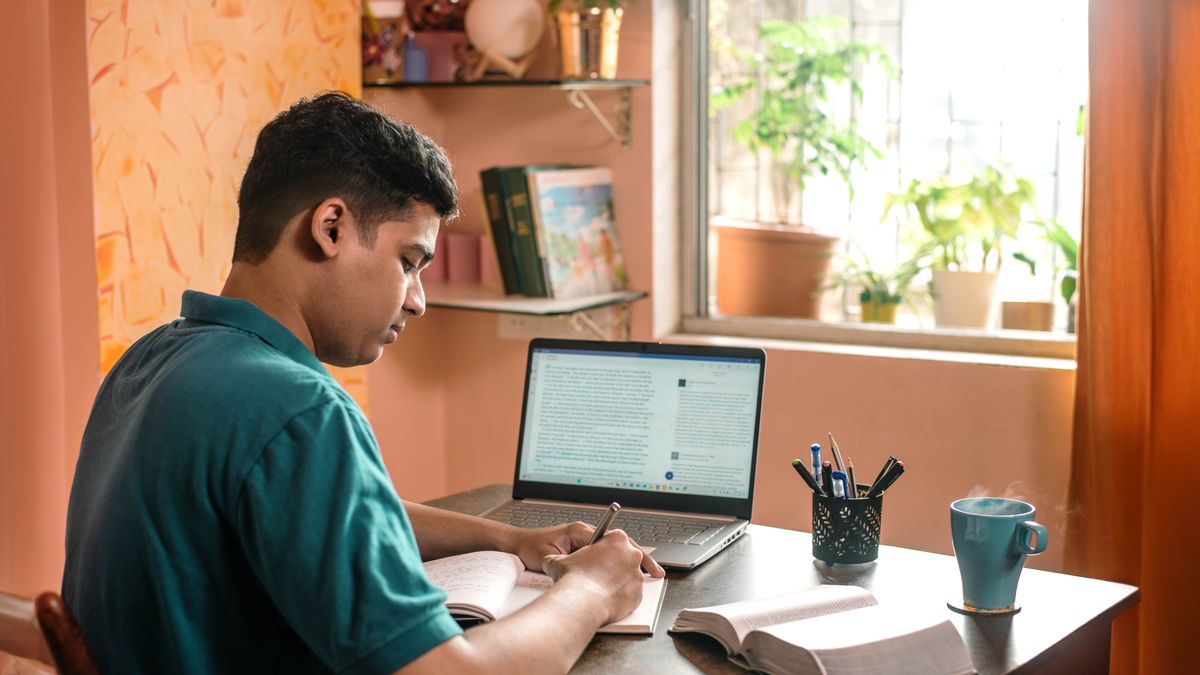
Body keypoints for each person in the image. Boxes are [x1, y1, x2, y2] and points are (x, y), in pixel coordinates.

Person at [62, 91, 663, 675]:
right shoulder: (299, 410)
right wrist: (593, 589)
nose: (419, 301)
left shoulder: (154, 360)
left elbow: (319, 508)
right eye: (408, 262)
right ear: (330, 227)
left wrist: (511, 539)